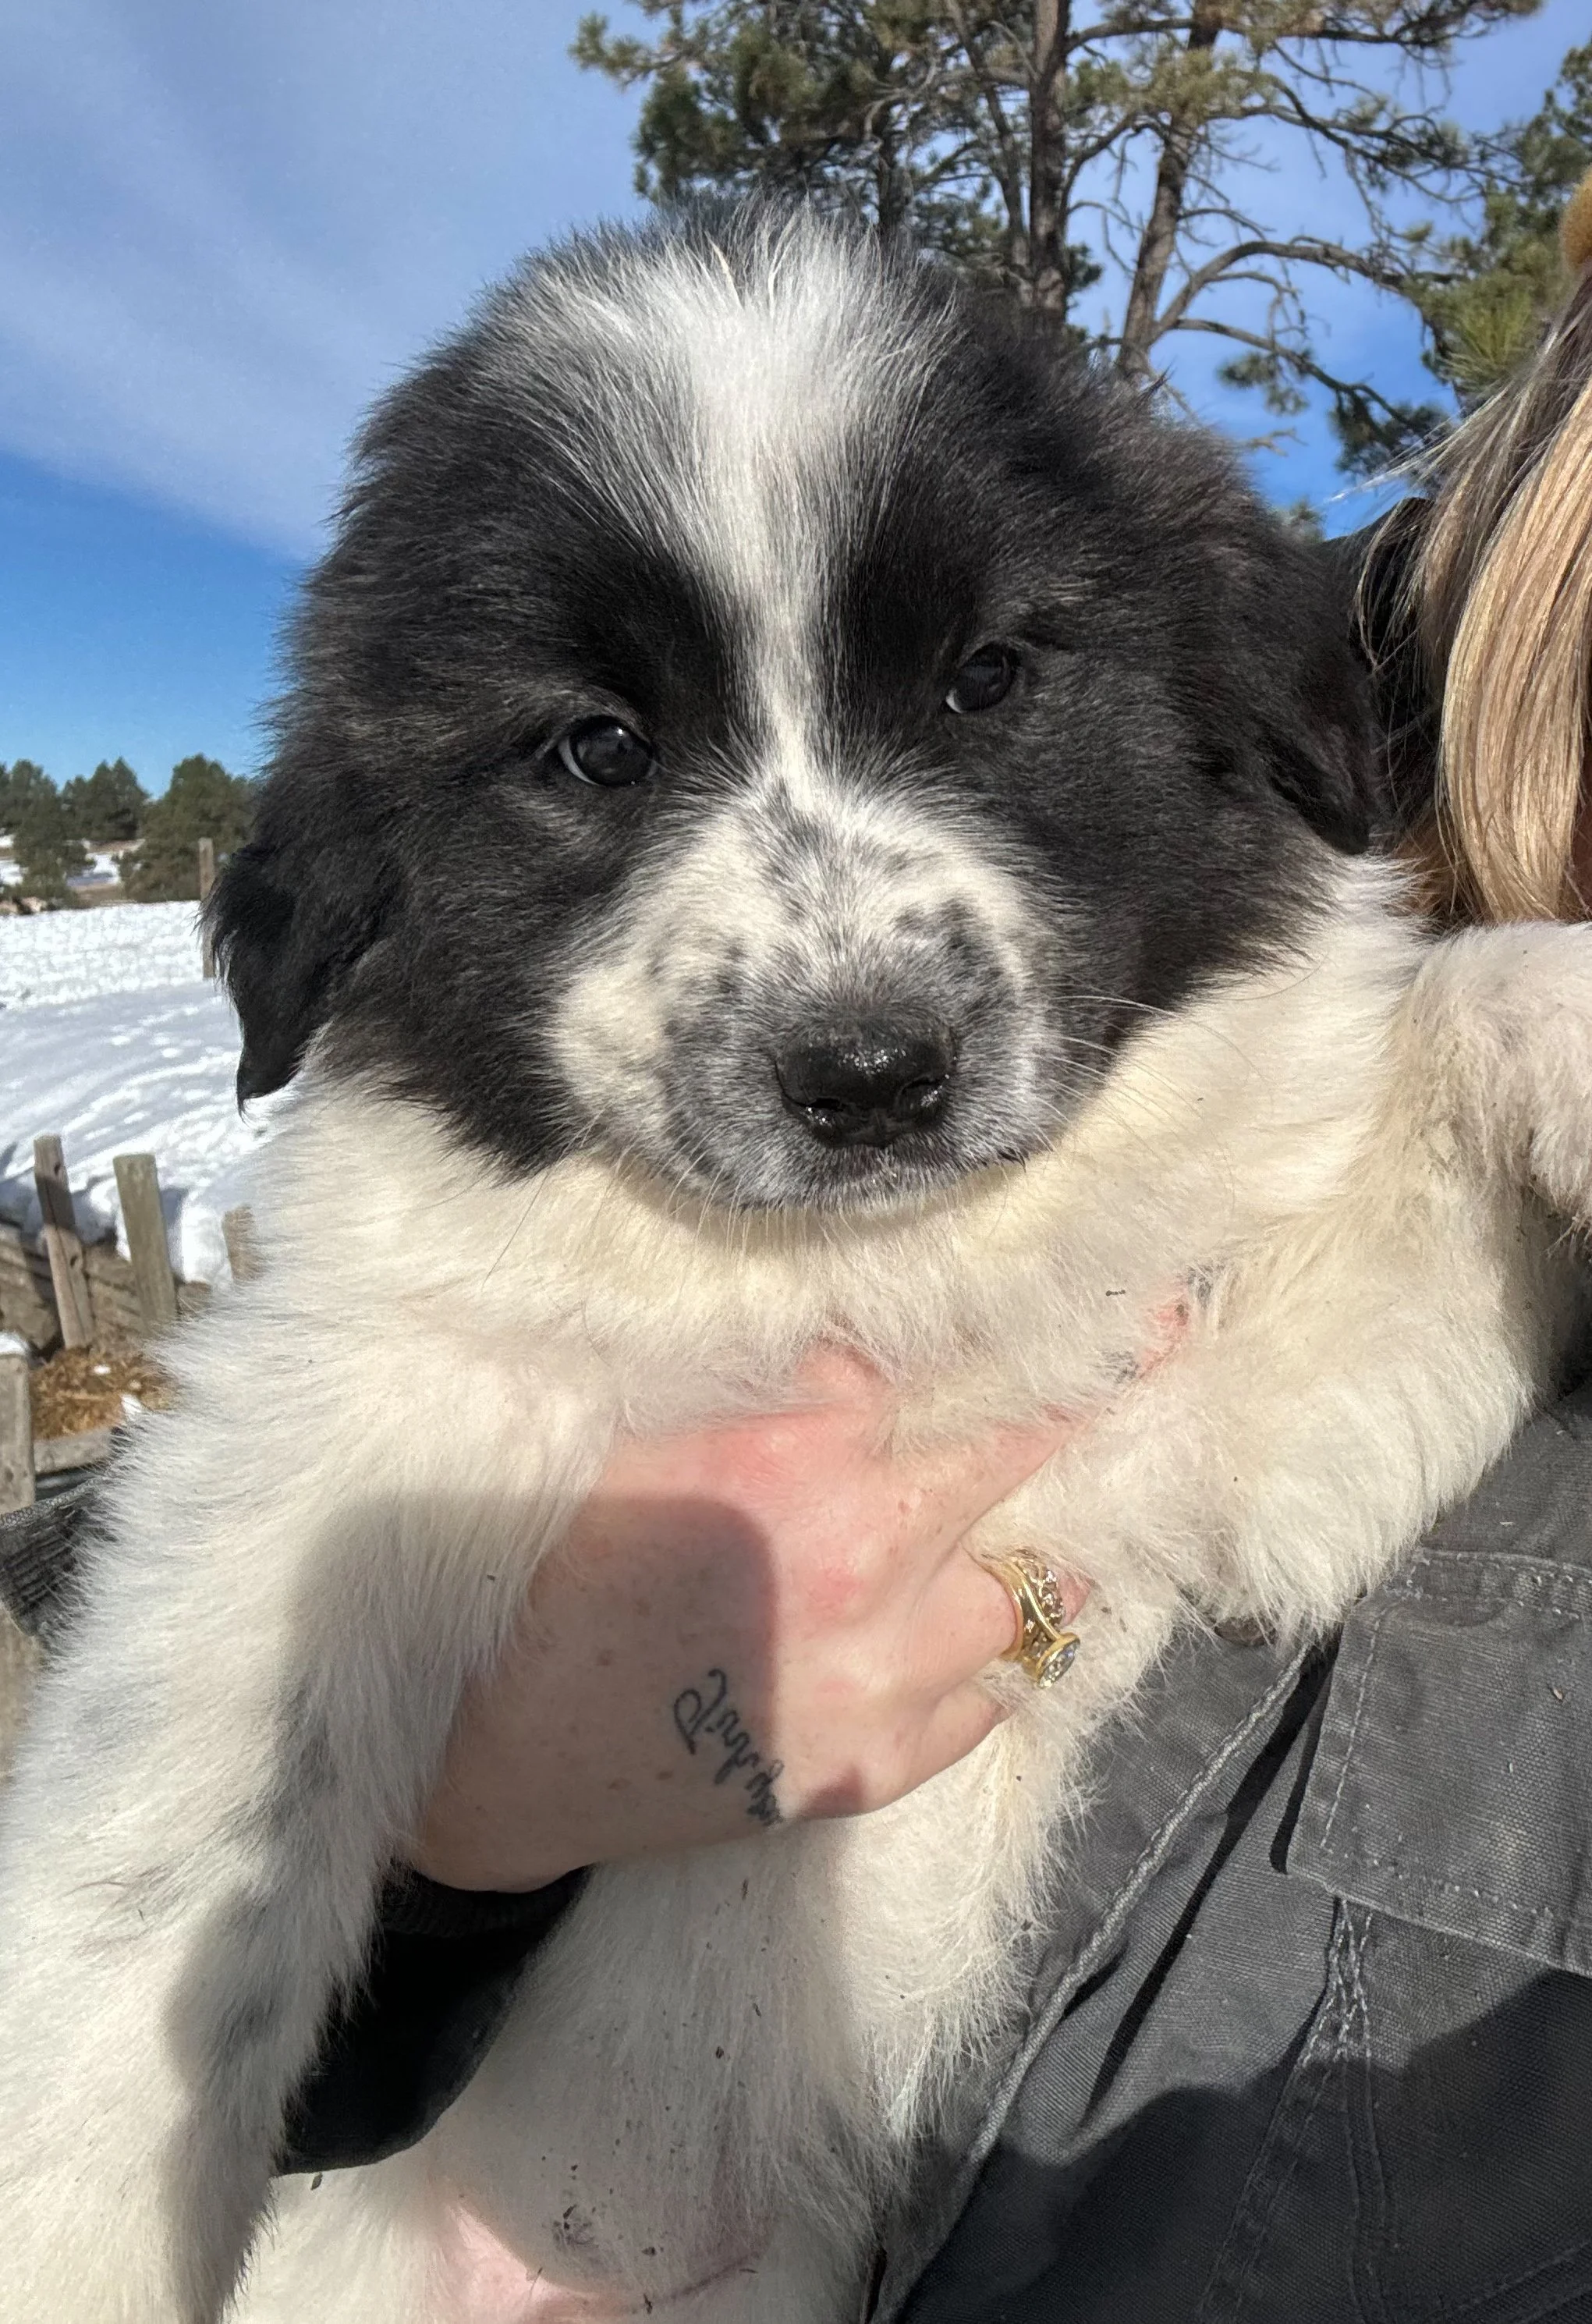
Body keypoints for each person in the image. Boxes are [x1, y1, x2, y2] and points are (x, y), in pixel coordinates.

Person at [5, 172, 1592, 2322]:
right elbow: (228, 1679)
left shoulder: (1291, 1055)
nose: (852, 981)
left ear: (1222, 681)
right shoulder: (479, 1245)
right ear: (362, 868)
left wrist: (1509, 1037)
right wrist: (449, 1861)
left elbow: (1297, 1471)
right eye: (597, 743)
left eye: (981, 680)